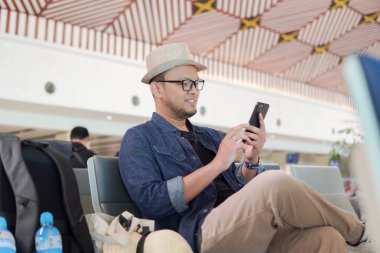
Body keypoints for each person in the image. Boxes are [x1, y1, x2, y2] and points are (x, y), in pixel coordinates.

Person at [118, 43, 370, 253]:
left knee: (327, 239)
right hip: (197, 233)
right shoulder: (139, 138)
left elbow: (239, 188)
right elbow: (153, 202)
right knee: (274, 183)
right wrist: (219, 163)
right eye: (185, 83)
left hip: (244, 228)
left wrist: (250, 160)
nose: (194, 91)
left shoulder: (207, 135)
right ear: (157, 88)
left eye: (196, 83)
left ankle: (351, 232)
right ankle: (359, 231)